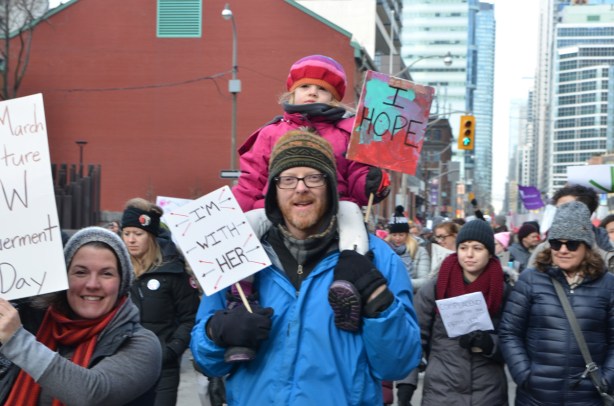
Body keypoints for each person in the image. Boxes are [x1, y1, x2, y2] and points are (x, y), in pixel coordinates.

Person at [191, 130, 421, 405]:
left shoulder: (378, 258)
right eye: (288, 179)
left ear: (331, 188)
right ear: (274, 191)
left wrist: (377, 300)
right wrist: (216, 332)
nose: (301, 188)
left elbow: (399, 363)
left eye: (314, 177)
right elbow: (205, 361)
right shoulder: (236, 254)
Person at [0, 227, 162, 405]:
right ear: (65, 278)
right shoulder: (34, 323)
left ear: (121, 283)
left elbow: (92, 393)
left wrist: (17, 341)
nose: (92, 284)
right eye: (80, 272)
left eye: (106, 273)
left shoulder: (141, 343)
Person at [231, 54, 389, 212]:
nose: (312, 92)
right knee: (254, 220)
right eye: (304, 86)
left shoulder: (347, 135)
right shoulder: (270, 133)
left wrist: (370, 183)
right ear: (293, 92)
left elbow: (357, 176)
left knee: (353, 218)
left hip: (334, 211)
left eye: (322, 89)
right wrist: (231, 217)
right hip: (276, 211)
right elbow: (250, 182)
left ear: (333, 98)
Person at [499, 201, 614, 405]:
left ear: (586, 246)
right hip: (535, 397)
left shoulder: (608, 285)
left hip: (588, 398)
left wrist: (606, 379)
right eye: (555, 243)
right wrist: (524, 375)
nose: (562, 250)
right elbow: (509, 332)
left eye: (571, 244)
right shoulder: (531, 279)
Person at [406, 220, 509, 405]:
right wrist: (407, 384)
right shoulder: (436, 287)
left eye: (477, 248)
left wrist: (490, 344)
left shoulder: (503, 291)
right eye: (463, 247)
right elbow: (414, 338)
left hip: (487, 393)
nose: (469, 254)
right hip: (441, 391)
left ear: (489, 252)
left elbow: (515, 341)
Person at [121, 198, 201, 406]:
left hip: (162, 370)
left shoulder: (173, 272)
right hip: (121, 367)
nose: (131, 240)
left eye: (138, 234)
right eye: (126, 233)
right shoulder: (115, 271)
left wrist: (172, 350)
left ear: (151, 237)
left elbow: (190, 317)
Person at [528, 184, 614, 270]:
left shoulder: (608, 250)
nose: (563, 250)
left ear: (587, 212)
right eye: (558, 209)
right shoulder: (543, 250)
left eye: (568, 207)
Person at [386, 219, 430, 292]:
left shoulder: (419, 251)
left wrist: (400, 283)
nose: (397, 238)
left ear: (407, 235)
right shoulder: (384, 251)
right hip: (388, 296)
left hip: (411, 295)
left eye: (401, 235)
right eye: (394, 235)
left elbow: (424, 281)